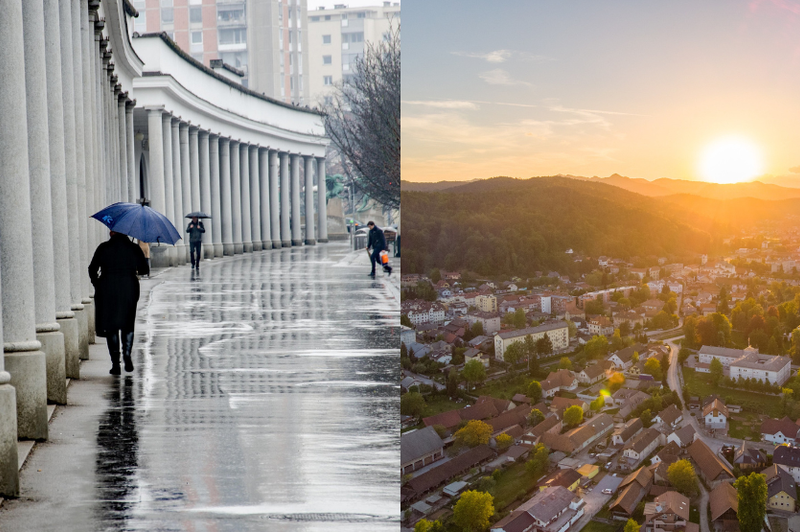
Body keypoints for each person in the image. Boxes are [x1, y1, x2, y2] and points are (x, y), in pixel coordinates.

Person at [89, 231, 149, 375]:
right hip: (129, 289)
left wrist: (97, 283)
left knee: (111, 327)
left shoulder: (103, 247)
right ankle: (127, 355)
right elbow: (144, 270)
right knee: (128, 324)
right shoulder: (134, 248)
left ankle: (116, 364)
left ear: (113, 233)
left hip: (107, 288)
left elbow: (92, 268)